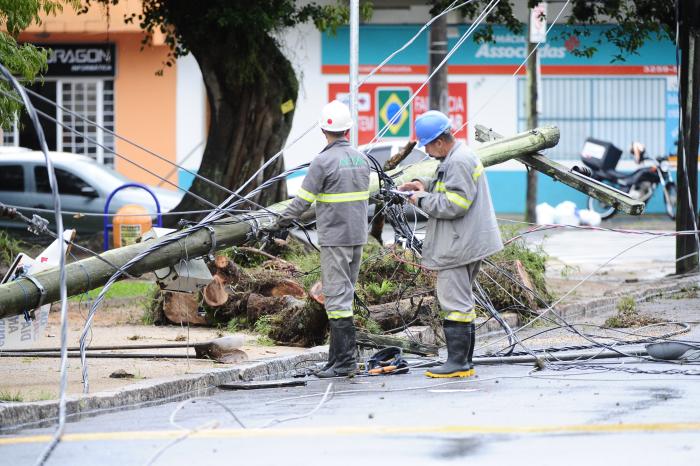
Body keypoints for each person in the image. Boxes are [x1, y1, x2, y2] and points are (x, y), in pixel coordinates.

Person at [269, 100, 370, 378]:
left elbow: (302, 202)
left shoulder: (322, 161)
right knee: (345, 295)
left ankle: (345, 362)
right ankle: (335, 360)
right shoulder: (362, 159)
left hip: (335, 239)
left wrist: (279, 222)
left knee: (336, 299)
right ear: (348, 128)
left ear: (324, 130)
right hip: (357, 237)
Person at [399, 110, 503, 378]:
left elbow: (455, 204)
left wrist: (421, 199)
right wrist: (423, 184)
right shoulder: (459, 156)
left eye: (428, 147)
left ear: (440, 142)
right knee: (462, 301)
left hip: (459, 244)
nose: (428, 152)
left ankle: (457, 363)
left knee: (454, 302)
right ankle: (463, 361)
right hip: (468, 240)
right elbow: (449, 186)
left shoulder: (457, 161)